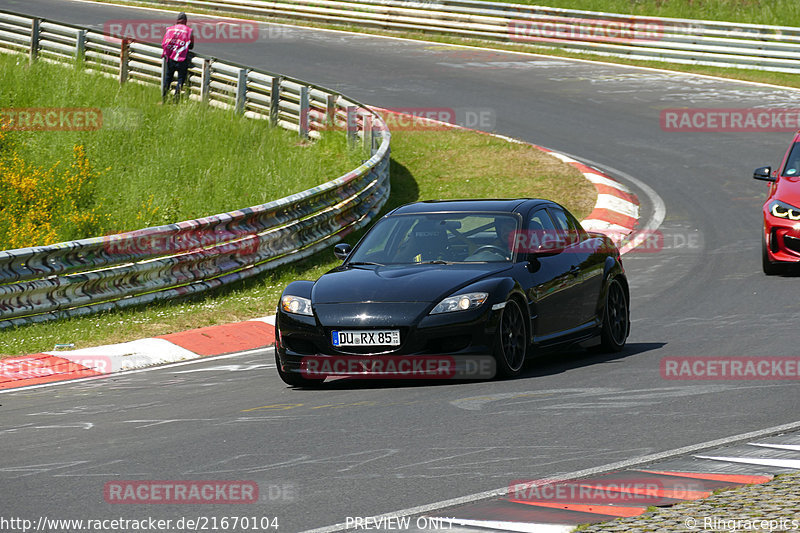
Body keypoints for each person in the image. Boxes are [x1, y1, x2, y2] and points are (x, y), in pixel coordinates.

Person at [161, 13, 194, 102]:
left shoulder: (170, 29)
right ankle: (176, 100)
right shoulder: (189, 31)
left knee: (168, 78)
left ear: (177, 20)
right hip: (182, 58)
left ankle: (163, 99)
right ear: (185, 21)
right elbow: (191, 46)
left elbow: (164, 43)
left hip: (170, 57)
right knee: (180, 79)